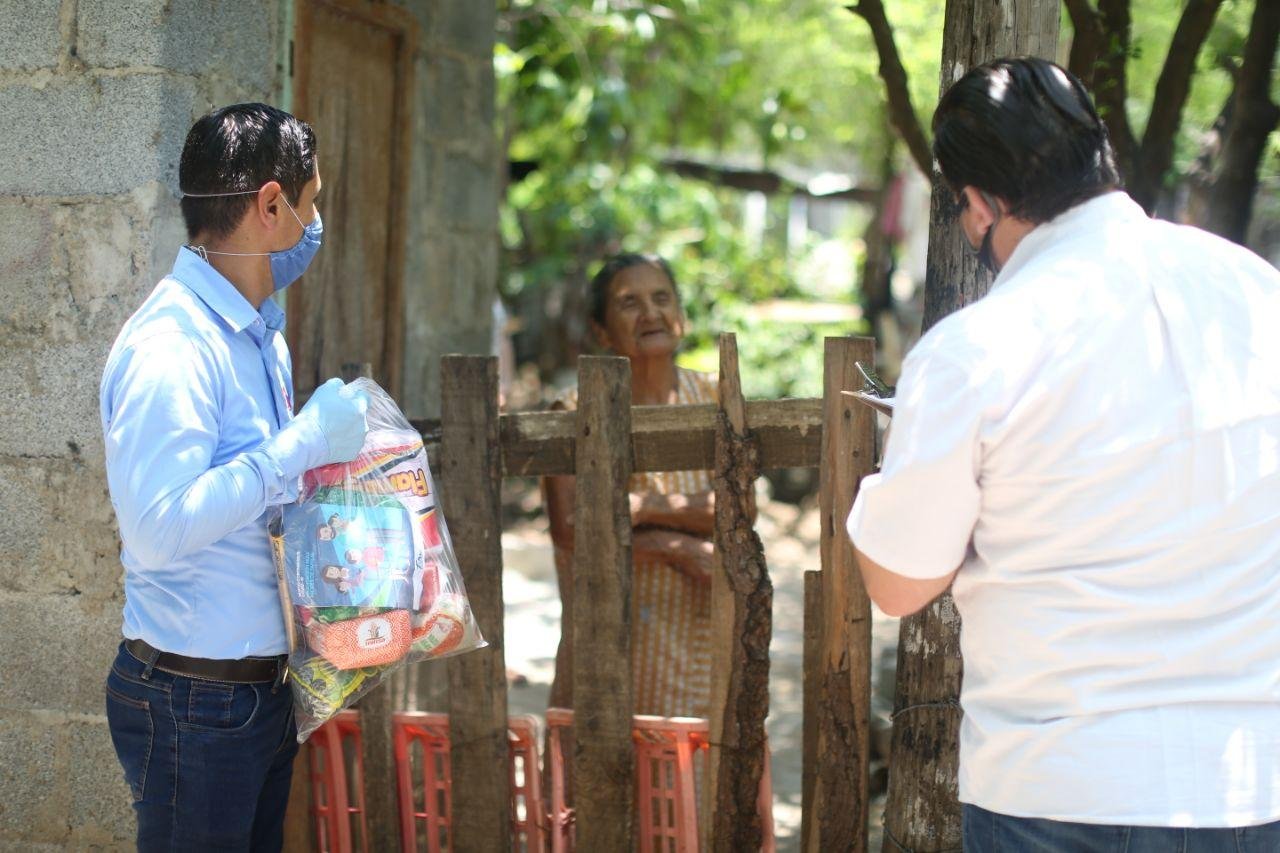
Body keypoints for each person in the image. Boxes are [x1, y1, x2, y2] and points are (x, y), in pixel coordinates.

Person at [845, 57, 1280, 849]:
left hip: (1064, 786)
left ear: (979, 203)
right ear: (1100, 155)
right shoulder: (1256, 292)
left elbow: (899, 583)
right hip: (1251, 781)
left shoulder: (977, 349)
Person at [99, 103, 370, 851]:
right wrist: (297, 447)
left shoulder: (257, 334)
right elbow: (159, 529)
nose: (315, 225)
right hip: (193, 701)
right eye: (311, 204)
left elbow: (256, 500)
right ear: (271, 205)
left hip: (256, 692)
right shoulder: (174, 346)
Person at [543, 253, 719, 718]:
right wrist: (673, 545)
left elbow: (736, 510)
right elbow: (572, 529)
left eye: (662, 298)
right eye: (629, 303)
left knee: (688, 776)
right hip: (607, 642)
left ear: (680, 314)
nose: (651, 313)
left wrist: (639, 504)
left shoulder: (716, 396)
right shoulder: (574, 410)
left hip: (697, 640)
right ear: (602, 330)